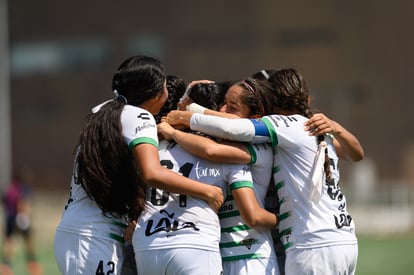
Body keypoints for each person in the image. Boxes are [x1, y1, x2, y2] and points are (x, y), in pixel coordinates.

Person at [165, 68, 364, 274]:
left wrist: (188, 113)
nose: (224, 109)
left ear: (271, 102)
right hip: (341, 239)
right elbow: (356, 154)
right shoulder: (314, 130)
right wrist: (336, 128)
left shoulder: (286, 126)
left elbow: (232, 129)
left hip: (311, 244)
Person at [53, 55, 223, 275]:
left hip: (78, 230)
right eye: (164, 86)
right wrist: (207, 191)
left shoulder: (102, 111)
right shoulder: (140, 116)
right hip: (95, 237)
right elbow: (152, 173)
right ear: (153, 92)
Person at [158, 78, 280, 275]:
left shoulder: (258, 148)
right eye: (223, 103)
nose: (222, 111)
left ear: (254, 117)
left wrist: (178, 126)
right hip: (219, 257)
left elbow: (211, 150)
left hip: (251, 259)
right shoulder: (202, 147)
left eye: (232, 107)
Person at [1, 168, 43, 275]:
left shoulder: (9, 188)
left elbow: (5, 202)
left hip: (9, 217)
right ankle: (33, 265)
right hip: (21, 218)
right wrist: (26, 215)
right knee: (28, 241)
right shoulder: (23, 188)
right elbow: (23, 203)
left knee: (9, 242)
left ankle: (6, 266)